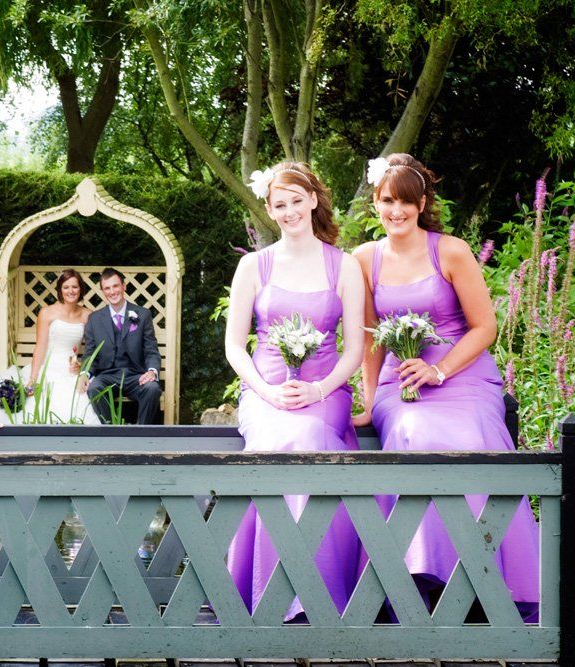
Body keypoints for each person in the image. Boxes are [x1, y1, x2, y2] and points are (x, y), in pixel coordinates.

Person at [352, 153, 539, 617]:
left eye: (406, 202)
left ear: (422, 204)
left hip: (462, 375)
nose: (397, 211)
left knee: (474, 436)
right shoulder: (363, 259)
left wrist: (439, 370)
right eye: (387, 200)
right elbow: (371, 336)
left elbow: (484, 327)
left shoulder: (450, 249)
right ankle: (418, 576)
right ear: (375, 203)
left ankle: (483, 579)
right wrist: (371, 399)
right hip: (404, 382)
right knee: (413, 432)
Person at [224, 162, 364, 619]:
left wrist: (320, 389)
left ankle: (315, 592)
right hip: (264, 394)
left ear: (314, 200)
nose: (289, 212)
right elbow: (234, 346)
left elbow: (355, 350)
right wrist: (265, 392)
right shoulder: (253, 265)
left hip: (325, 393)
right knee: (274, 445)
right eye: (279, 204)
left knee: (308, 441)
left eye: (296, 201)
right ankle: (272, 590)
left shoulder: (344, 266)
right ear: (268, 209)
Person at [0, 268, 101, 424]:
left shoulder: (88, 315)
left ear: (81, 289)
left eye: (74, 287)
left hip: (70, 371)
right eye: (66, 287)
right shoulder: (47, 313)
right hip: (47, 367)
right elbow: (40, 346)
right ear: (60, 290)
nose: (71, 291)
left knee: (77, 396)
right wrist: (33, 377)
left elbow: (92, 348)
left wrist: (81, 366)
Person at [80, 268, 162, 424]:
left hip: (135, 375)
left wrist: (152, 371)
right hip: (107, 375)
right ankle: (113, 431)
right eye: (107, 288)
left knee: (152, 388)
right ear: (103, 291)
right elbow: (90, 353)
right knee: (94, 388)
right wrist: (85, 373)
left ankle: (140, 432)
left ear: (123, 286)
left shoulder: (142, 315)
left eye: (115, 286)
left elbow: (151, 349)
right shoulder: (94, 319)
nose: (112, 291)